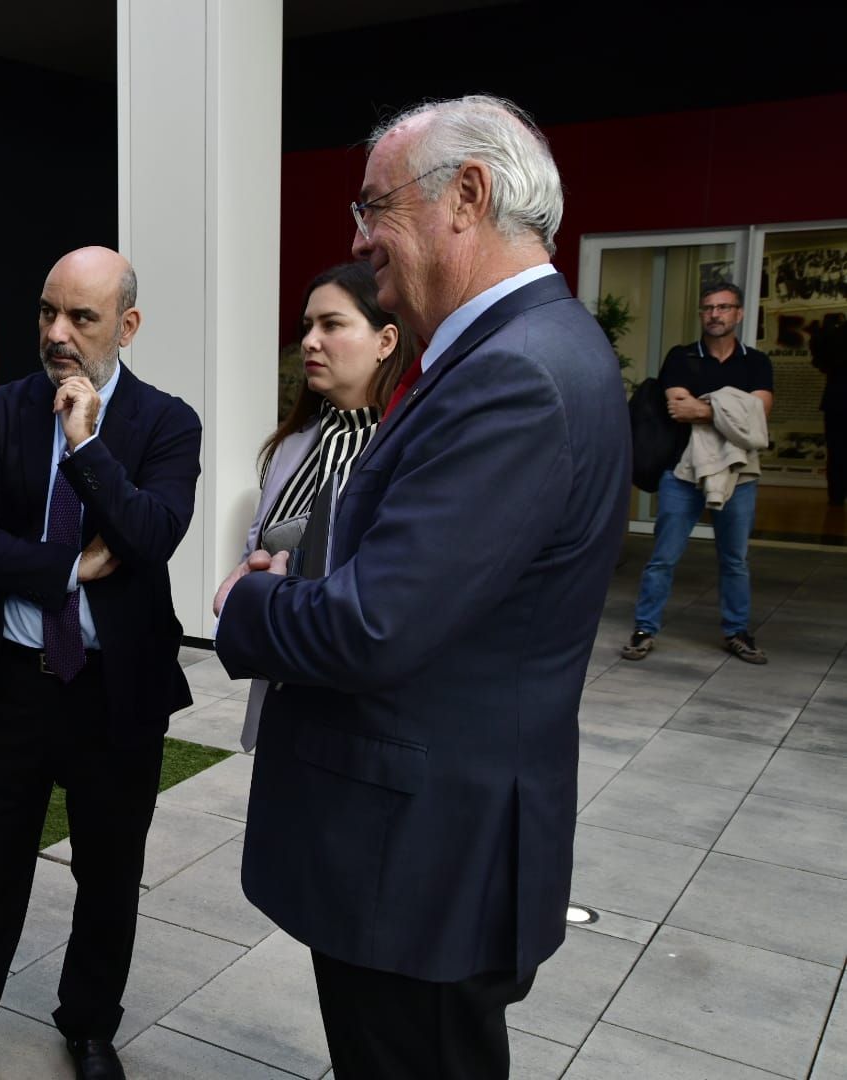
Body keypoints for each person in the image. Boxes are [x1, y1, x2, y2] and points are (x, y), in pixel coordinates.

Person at [213, 95, 630, 1080]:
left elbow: (375, 625)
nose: (358, 240)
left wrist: (247, 603)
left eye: (373, 208)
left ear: (467, 197)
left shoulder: (515, 373)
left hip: (423, 862)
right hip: (426, 848)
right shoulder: (518, 353)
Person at [0, 247, 201, 1080]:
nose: (56, 333)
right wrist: (66, 568)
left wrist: (87, 445)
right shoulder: (0, 411)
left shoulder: (168, 423)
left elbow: (150, 535)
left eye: (82, 317)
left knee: (110, 877)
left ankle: (91, 1026)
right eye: (46, 312)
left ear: (127, 326)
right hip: (16, 688)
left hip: (116, 696)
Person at [218, 260, 413, 749]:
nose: (309, 341)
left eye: (332, 325)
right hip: (285, 684)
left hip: (366, 702)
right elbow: (255, 551)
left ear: (386, 341)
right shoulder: (290, 446)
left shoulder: (408, 448)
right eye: (307, 327)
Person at [621, 282, 775, 665]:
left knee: (735, 559)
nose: (715, 314)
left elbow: (760, 416)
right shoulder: (682, 357)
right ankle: (644, 628)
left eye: (723, 307)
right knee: (663, 556)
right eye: (708, 308)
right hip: (682, 471)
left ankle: (737, 631)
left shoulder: (757, 362)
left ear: (739, 314)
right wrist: (731, 410)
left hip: (739, 475)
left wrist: (705, 409)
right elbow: (678, 409)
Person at [809, 314, 846, 507]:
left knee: (837, 451)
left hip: (837, 398)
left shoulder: (834, 335)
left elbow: (819, 362)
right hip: (837, 398)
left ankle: (837, 496)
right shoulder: (836, 335)